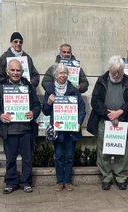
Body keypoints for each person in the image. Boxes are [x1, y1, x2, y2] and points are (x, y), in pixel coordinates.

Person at [87, 55, 128, 190]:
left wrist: (120, 112)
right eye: (114, 71)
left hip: (124, 121)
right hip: (105, 121)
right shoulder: (101, 80)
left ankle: (121, 178)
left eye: (119, 71)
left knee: (123, 152)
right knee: (104, 152)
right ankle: (106, 178)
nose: (117, 74)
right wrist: (109, 114)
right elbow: (95, 101)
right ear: (109, 69)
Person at [0, 59, 41, 194]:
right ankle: (11, 182)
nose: (15, 73)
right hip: (9, 129)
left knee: (27, 158)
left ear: (22, 71)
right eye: (12, 70)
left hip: (26, 129)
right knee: (10, 158)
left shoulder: (29, 86)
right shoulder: (0, 86)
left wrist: (33, 112)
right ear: (7, 71)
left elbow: (37, 105)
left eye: (18, 70)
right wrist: (0, 115)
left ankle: (26, 182)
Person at [42, 63, 86, 192]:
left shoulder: (74, 89)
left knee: (70, 156)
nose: (63, 75)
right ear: (56, 75)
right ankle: (60, 181)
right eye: (61, 73)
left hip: (71, 130)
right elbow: (45, 111)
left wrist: (79, 122)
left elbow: (81, 108)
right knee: (59, 156)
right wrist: (49, 103)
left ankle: (68, 181)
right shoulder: (50, 89)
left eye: (65, 73)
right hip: (57, 131)